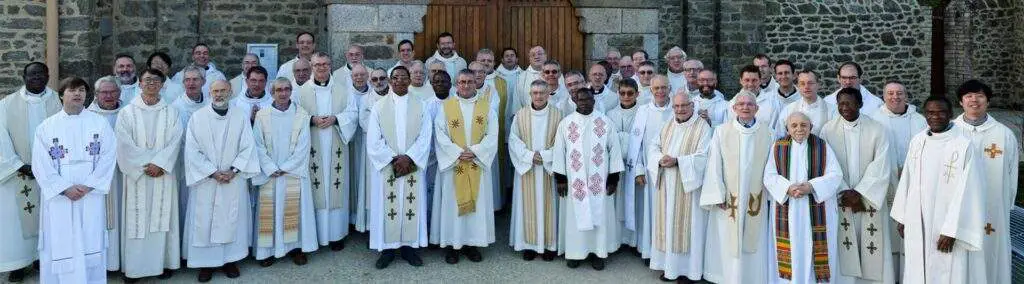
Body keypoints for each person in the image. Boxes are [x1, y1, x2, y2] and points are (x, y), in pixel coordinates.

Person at [890, 96, 986, 283]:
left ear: (950, 114)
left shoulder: (964, 146)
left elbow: (970, 193)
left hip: (947, 227)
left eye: (941, 112)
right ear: (925, 115)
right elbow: (907, 180)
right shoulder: (917, 141)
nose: (935, 117)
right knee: (917, 269)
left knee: (947, 270)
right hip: (917, 221)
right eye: (930, 113)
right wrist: (903, 217)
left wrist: (952, 230)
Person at [32, 77, 117, 284]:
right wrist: (63, 188)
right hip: (60, 197)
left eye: (81, 90)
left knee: (90, 238)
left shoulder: (99, 123)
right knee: (62, 241)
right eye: (72, 90)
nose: (77, 94)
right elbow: (40, 164)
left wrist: (89, 185)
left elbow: (108, 156)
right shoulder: (47, 127)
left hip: (90, 194)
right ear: (61, 95)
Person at [182, 80, 258, 282]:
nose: (219, 94)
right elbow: (192, 150)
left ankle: (230, 260)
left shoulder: (240, 116)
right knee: (204, 220)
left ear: (231, 92)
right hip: (207, 181)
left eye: (223, 90)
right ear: (209, 93)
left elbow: (248, 146)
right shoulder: (197, 118)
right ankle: (205, 264)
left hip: (233, 179)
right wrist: (212, 172)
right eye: (215, 91)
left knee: (231, 218)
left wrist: (234, 170)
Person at [115, 68, 184, 282]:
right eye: (147, 80)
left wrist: (160, 164)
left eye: (156, 80)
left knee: (163, 219)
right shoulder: (127, 112)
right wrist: (148, 164)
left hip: (163, 175)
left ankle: (163, 264)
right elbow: (123, 143)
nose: (151, 83)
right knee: (137, 221)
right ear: (140, 84)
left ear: (163, 84)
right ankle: (134, 268)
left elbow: (176, 141)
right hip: (139, 176)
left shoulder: (171, 112)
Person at [820, 88, 895, 283]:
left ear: (860, 104)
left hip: (869, 201)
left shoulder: (877, 129)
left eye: (849, 103)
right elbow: (825, 165)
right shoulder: (827, 130)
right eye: (841, 104)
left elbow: (881, 164)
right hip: (841, 200)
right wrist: (844, 191)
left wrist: (860, 193)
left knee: (872, 248)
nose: (844, 108)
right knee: (844, 249)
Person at [700, 92, 773, 284]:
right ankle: (725, 278)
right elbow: (714, 163)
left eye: (750, 104)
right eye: (741, 104)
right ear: (734, 109)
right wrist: (718, 194)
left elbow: (772, 168)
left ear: (757, 108)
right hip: (729, 199)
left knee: (753, 237)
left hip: (756, 197)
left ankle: (752, 278)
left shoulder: (769, 132)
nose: (745, 107)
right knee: (727, 238)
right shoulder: (722, 131)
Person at [764, 112, 844, 283]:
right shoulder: (778, 147)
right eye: (794, 125)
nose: (799, 129)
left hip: (817, 209)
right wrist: (787, 188)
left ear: (811, 127)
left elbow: (835, 175)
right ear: (787, 128)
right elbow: (769, 175)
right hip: (789, 208)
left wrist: (811, 187)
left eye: (803, 125)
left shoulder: (822, 146)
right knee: (791, 250)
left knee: (815, 250)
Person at [952, 80, 1019, 284]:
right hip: (957, 208)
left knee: (991, 253)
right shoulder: (950, 131)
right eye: (969, 96)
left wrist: (1004, 207)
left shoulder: (1004, 134)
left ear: (988, 101)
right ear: (961, 102)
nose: (974, 100)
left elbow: (1012, 174)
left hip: (993, 210)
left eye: (980, 96)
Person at [366, 66, 433, 269]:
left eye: (404, 78)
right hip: (388, 166)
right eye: (395, 78)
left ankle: (409, 248)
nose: (399, 81)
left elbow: (425, 136)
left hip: (411, 165)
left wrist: (409, 157)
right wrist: (393, 158)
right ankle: (387, 249)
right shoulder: (379, 107)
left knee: (411, 206)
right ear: (390, 80)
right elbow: (373, 140)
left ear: (409, 80)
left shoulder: (420, 105)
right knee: (388, 207)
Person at [431, 69, 499, 264]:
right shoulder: (447, 107)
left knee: (476, 207)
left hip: (476, 163)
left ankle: (472, 244)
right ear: (456, 84)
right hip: (454, 164)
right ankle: (453, 245)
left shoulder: (486, 108)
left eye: (470, 81)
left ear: (475, 83)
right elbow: (440, 134)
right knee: (452, 207)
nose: (466, 85)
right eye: (462, 82)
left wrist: (476, 151)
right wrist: (457, 153)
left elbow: (492, 135)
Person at [552, 88, 624, 270]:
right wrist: (560, 178)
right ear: (575, 100)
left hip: (598, 183)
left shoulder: (605, 122)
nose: (584, 102)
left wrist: (613, 179)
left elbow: (614, 150)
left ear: (593, 100)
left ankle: (597, 252)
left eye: (587, 99)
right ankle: (575, 253)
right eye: (580, 99)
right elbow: (559, 152)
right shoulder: (566, 123)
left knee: (598, 216)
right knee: (575, 218)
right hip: (574, 182)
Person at [0, 62, 58, 282]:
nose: (37, 77)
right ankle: (17, 263)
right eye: (32, 74)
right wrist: (18, 165)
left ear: (48, 76)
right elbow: (1, 137)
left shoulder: (57, 101)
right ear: (24, 76)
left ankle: (41, 258)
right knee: (16, 221)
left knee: (47, 218)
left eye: (41, 74)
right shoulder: (6, 104)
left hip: (50, 173)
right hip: (19, 174)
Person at [251, 78, 317, 268]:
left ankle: (295, 249)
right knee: (269, 211)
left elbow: (304, 145)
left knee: (294, 211)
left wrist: (286, 167)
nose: (283, 93)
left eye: (287, 89)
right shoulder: (262, 115)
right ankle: (267, 251)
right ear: (272, 92)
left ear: (291, 91)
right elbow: (257, 144)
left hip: (292, 173)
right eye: (279, 90)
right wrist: (271, 167)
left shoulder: (301, 115)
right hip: (270, 173)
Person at [645, 94, 712, 282]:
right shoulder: (668, 125)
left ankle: (689, 272)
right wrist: (659, 158)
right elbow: (653, 146)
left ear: (692, 106)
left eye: (684, 106)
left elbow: (705, 156)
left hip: (689, 187)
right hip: (667, 184)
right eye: (676, 106)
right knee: (667, 226)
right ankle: (670, 268)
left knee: (689, 229)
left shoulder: (702, 127)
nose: (680, 109)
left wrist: (678, 162)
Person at [297, 52, 359, 251]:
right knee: (316, 188)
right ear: (311, 67)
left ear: (330, 65)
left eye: (325, 64)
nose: (321, 68)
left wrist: (336, 119)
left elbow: (352, 113)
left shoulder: (343, 89)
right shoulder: (301, 91)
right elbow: (296, 115)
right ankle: (316, 235)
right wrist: (311, 120)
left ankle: (336, 235)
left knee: (336, 186)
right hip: (312, 145)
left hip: (336, 142)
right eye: (317, 65)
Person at [867, 81, 926, 277]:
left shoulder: (919, 120)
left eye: (899, 93)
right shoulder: (874, 119)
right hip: (886, 185)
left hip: (915, 183)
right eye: (890, 93)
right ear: (883, 96)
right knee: (889, 232)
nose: (895, 97)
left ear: (906, 95)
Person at [508, 80, 565, 261]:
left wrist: (546, 156)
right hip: (528, 168)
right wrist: (530, 156)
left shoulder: (558, 115)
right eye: (535, 93)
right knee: (527, 207)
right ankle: (529, 245)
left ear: (548, 94)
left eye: (542, 92)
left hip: (548, 170)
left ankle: (549, 246)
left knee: (550, 207)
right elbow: (514, 140)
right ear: (530, 95)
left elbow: (562, 142)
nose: (538, 96)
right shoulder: (521, 115)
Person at [623, 75, 674, 259]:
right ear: (650, 90)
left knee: (669, 213)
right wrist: (637, 170)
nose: (660, 91)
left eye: (664, 87)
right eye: (656, 88)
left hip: (673, 171)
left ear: (669, 88)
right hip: (649, 172)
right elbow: (635, 144)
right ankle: (649, 251)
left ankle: (667, 252)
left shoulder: (677, 109)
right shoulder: (643, 111)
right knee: (649, 213)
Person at [88, 76, 125, 272]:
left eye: (113, 92)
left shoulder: (129, 113)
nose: (109, 96)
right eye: (104, 92)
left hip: (125, 176)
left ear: (120, 93)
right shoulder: (87, 117)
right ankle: (101, 265)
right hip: (98, 180)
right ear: (96, 95)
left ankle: (123, 261)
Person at [171, 66, 209, 229]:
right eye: (187, 80)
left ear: (204, 81)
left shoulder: (210, 104)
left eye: (195, 79)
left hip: (208, 163)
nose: (191, 83)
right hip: (185, 164)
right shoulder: (176, 107)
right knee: (186, 204)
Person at [774, 70, 836, 138]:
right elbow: (779, 139)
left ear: (818, 85)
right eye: (802, 83)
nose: (806, 87)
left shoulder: (832, 110)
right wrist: (789, 147)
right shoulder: (788, 110)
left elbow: (835, 139)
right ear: (798, 86)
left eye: (810, 83)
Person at [350, 63, 374, 233]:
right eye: (355, 75)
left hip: (369, 144)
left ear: (368, 76)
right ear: (351, 77)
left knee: (366, 182)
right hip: (352, 143)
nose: (359, 78)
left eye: (362, 75)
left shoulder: (374, 95)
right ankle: (352, 218)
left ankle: (367, 221)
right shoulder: (345, 94)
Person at [729, 65, 782, 132]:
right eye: (747, 80)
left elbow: (776, 131)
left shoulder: (772, 103)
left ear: (760, 81)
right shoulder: (732, 104)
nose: (750, 84)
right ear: (741, 81)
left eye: (754, 80)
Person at [511, 46, 549, 117]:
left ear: (545, 56)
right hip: (528, 118)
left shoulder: (555, 74)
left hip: (551, 116)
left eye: (539, 54)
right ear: (529, 59)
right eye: (533, 55)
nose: (536, 56)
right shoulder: (521, 78)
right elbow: (517, 103)